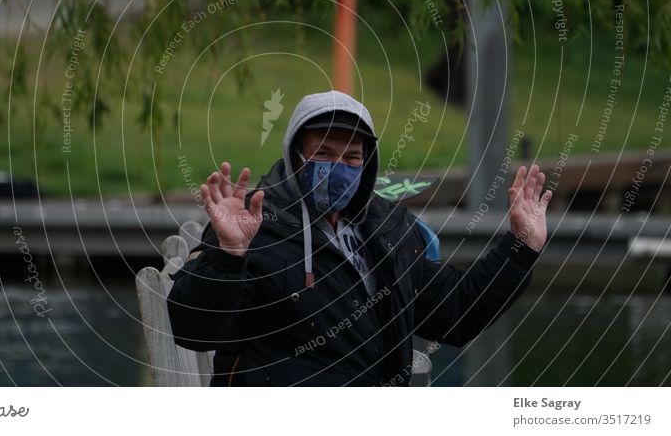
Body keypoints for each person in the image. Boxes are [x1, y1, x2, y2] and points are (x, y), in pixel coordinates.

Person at [167, 90, 552, 386]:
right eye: (323, 152)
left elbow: (455, 315)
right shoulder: (254, 225)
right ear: (294, 156)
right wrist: (229, 254)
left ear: (368, 164)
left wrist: (521, 246)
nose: (338, 166)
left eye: (352, 157)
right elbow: (193, 330)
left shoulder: (390, 229)